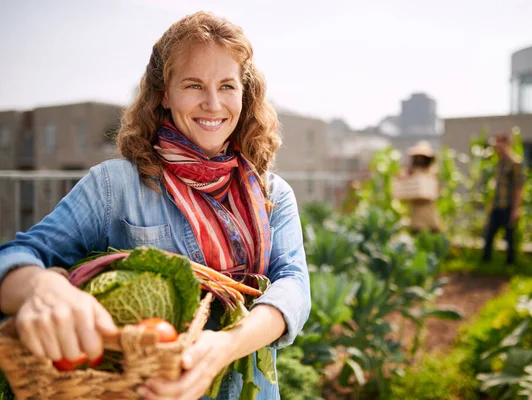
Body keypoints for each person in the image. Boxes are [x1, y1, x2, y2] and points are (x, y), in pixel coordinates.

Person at [0, 11, 310, 400]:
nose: (213, 104)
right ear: (165, 93)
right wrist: (40, 286)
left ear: (244, 93)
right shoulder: (116, 186)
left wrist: (226, 346)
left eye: (227, 86)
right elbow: (17, 255)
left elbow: (293, 287)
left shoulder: (272, 194)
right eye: (194, 85)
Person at [482, 132, 524, 265]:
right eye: (496, 143)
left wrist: (516, 209)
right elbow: (496, 189)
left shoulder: (514, 163)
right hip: (497, 205)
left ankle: (510, 266)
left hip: (508, 206)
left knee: (509, 237)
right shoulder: (498, 164)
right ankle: (485, 264)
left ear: (508, 144)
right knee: (489, 235)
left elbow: (518, 187)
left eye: (501, 142)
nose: (498, 146)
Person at [402, 141, 443, 233]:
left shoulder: (432, 172)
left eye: (422, 157)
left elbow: (435, 191)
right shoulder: (411, 173)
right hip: (416, 214)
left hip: (429, 212)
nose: (420, 159)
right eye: (418, 157)